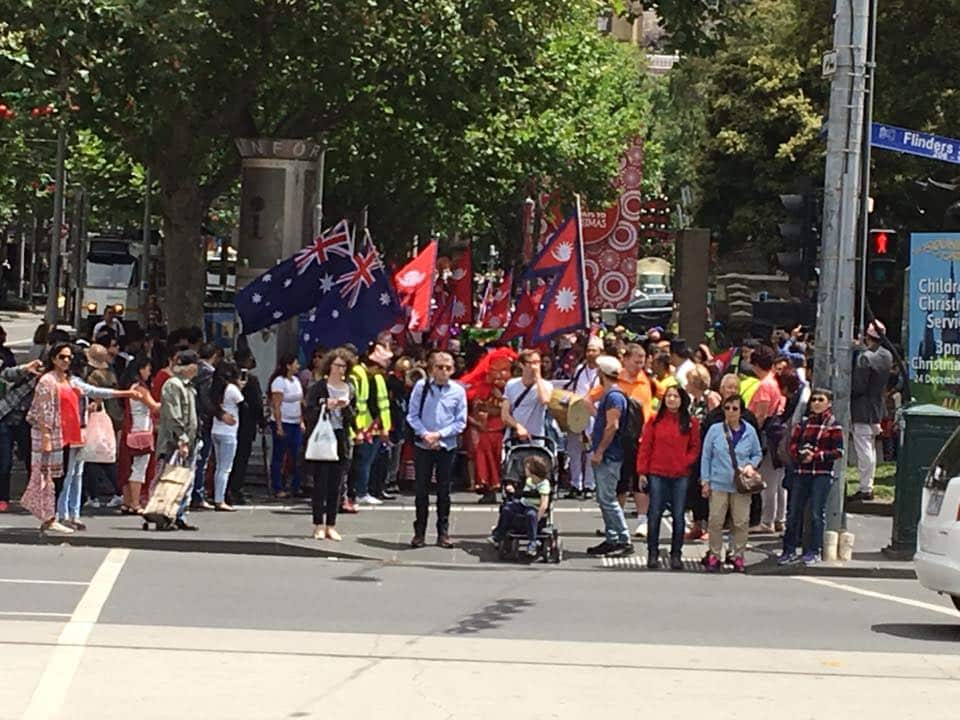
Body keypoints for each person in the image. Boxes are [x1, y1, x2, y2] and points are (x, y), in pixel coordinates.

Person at [20, 343, 134, 534]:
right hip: (55, 436)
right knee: (52, 478)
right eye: (62, 357)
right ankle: (51, 517)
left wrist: (125, 393)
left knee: (64, 477)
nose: (66, 360)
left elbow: (94, 391)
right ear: (53, 358)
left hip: (71, 435)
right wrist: (46, 436)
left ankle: (56, 516)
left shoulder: (71, 380)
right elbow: (42, 410)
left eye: (69, 357)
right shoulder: (47, 381)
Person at [406, 351, 467, 549]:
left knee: (444, 491)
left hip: (446, 445)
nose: (444, 371)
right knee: (421, 490)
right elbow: (412, 415)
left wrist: (439, 435)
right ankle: (419, 533)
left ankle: (443, 533)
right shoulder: (421, 387)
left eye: (448, 368)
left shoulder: (458, 391)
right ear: (432, 369)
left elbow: (460, 422)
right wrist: (425, 434)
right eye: (439, 367)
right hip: (423, 445)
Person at [636, 385, 701, 570]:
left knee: (679, 516)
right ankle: (653, 552)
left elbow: (695, 448)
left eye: (675, 396)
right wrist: (642, 471)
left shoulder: (691, 423)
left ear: (682, 400)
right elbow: (645, 447)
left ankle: (676, 554)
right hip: (657, 472)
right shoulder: (654, 421)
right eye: (669, 396)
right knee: (654, 513)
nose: (672, 399)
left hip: (680, 474)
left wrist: (684, 462)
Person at [779, 389, 845, 566]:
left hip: (821, 475)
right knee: (793, 513)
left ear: (829, 403)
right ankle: (789, 549)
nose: (816, 403)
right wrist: (800, 454)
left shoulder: (833, 425)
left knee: (817, 513)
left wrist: (816, 456)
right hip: (801, 473)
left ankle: (813, 551)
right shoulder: (804, 423)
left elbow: (839, 452)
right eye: (813, 400)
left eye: (820, 400)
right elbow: (792, 444)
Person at [700, 394, 763, 572]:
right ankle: (714, 554)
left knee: (741, 522)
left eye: (735, 408)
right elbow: (706, 456)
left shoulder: (749, 431)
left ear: (741, 411)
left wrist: (751, 466)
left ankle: (737, 555)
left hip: (741, 485)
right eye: (727, 408)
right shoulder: (714, 430)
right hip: (718, 482)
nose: (730, 412)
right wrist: (705, 480)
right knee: (715, 521)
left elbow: (757, 453)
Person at [304, 348, 355, 541]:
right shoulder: (318, 387)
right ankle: (318, 523)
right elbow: (309, 411)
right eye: (337, 365)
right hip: (322, 436)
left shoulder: (349, 388)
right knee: (320, 483)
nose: (340, 369)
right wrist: (326, 405)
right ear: (330, 365)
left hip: (340, 436)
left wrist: (345, 407)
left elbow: (353, 415)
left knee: (336, 483)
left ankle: (331, 524)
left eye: (344, 366)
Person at [586, 355, 634, 557]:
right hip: (608, 454)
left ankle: (623, 538)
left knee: (607, 498)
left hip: (610, 455)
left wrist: (599, 451)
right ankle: (612, 537)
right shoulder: (612, 394)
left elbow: (612, 426)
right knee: (605, 498)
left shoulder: (614, 397)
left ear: (602, 373)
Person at [460, 347, 516, 503]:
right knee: (485, 459)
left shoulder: (512, 387)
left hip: (504, 429)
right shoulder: (483, 388)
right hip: (488, 429)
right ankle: (488, 489)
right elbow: (479, 407)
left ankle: (507, 490)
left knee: (503, 460)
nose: (500, 374)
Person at [155, 350, 200, 531]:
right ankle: (164, 515)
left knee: (186, 479)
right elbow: (174, 415)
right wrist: (181, 439)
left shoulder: (189, 386)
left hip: (191, 439)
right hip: (175, 442)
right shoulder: (173, 385)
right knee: (170, 478)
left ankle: (180, 514)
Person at [850, 319, 893, 501]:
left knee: (864, 449)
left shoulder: (865, 357)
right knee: (871, 448)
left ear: (867, 337)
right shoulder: (887, 355)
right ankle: (868, 484)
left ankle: (866, 487)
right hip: (877, 405)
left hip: (862, 408)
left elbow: (858, 386)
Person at [350, 342, 393, 506]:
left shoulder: (373, 377)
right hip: (365, 427)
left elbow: (381, 404)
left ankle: (363, 490)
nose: (382, 371)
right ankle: (360, 492)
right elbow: (366, 404)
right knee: (363, 461)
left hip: (371, 426)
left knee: (367, 460)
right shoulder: (360, 375)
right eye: (380, 367)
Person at [118, 355, 161, 515]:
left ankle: (127, 501)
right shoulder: (141, 389)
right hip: (142, 431)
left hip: (131, 430)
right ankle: (135, 503)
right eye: (148, 369)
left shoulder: (131, 387)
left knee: (127, 468)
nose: (149, 373)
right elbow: (154, 407)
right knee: (139, 468)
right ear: (141, 369)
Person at [0, 359, 43, 512]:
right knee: (4, 462)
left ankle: (33, 496)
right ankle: (2, 497)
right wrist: (25, 369)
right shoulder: (26, 373)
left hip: (28, 421)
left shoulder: (50, 380)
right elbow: (6, 374)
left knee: (32, 460)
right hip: (6, 417)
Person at [488, 454, 551, 558]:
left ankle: (532, 542)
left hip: (534, 507)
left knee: (531, 515)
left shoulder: (544, 484)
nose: (524, 470)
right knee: (507, 508)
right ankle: (498, 534)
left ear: (533, 471)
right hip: (524, 503)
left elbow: (544, 504)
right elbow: (522, 492)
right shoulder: (529, 480)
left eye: (526, 468)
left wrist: (538, 518)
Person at [563, 336, 602, 498]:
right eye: (589, 350)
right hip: (576, 413)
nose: (590, 353)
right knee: (574, 450)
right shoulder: (580, 369)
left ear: (601, 352)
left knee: (590, 451)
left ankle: (589, 485)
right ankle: (575, 484)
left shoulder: (603, 371)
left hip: (594, 413)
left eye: (594, 350)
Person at [191, 342, 226, 508]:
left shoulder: (192, 370)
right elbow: (206, 398)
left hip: (191, 416)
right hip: (203, 420)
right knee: (201, 459)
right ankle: (197, 494)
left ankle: (192, 493)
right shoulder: (209, 373)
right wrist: (217, 412)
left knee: (192, 459)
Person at [228, 348, 265, 505]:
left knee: (230, 459)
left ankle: (227, 488)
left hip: (232, 422)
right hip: (246, 423)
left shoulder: (228, 378)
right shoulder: (252, 380)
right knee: (242, 458)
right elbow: (256, 404)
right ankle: (235, 489)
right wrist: (262, 421)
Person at [209, 361, 244, 512]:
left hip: (216, 430)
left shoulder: (215, 389)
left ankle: (217, 496)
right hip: (229, 432)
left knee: (219, 467)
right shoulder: (232, 389)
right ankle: (220, 499)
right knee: (225, 468)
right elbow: (244, 404)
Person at [269, 353, 304, 499]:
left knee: (297, 455)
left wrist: (302, 421)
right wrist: (279, 426)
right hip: (283, 422)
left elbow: (300, 402)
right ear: (288, 365)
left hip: (295, 422)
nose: (298, 366)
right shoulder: (279, 382)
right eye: (295, 363)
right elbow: (276, 405)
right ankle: (277, 487)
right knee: (279, 455)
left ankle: (295, 486)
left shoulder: (296, 380)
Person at [501, 349, 553, 445]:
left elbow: (545, 400)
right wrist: (518, 427)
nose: (536, 366)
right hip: (513, 440)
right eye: (532, 363)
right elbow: (505, 415)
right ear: (522, 364)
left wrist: (538, 377)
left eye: (538, 362)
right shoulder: (511, 384)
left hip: (536, 440)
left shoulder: (546, 385)